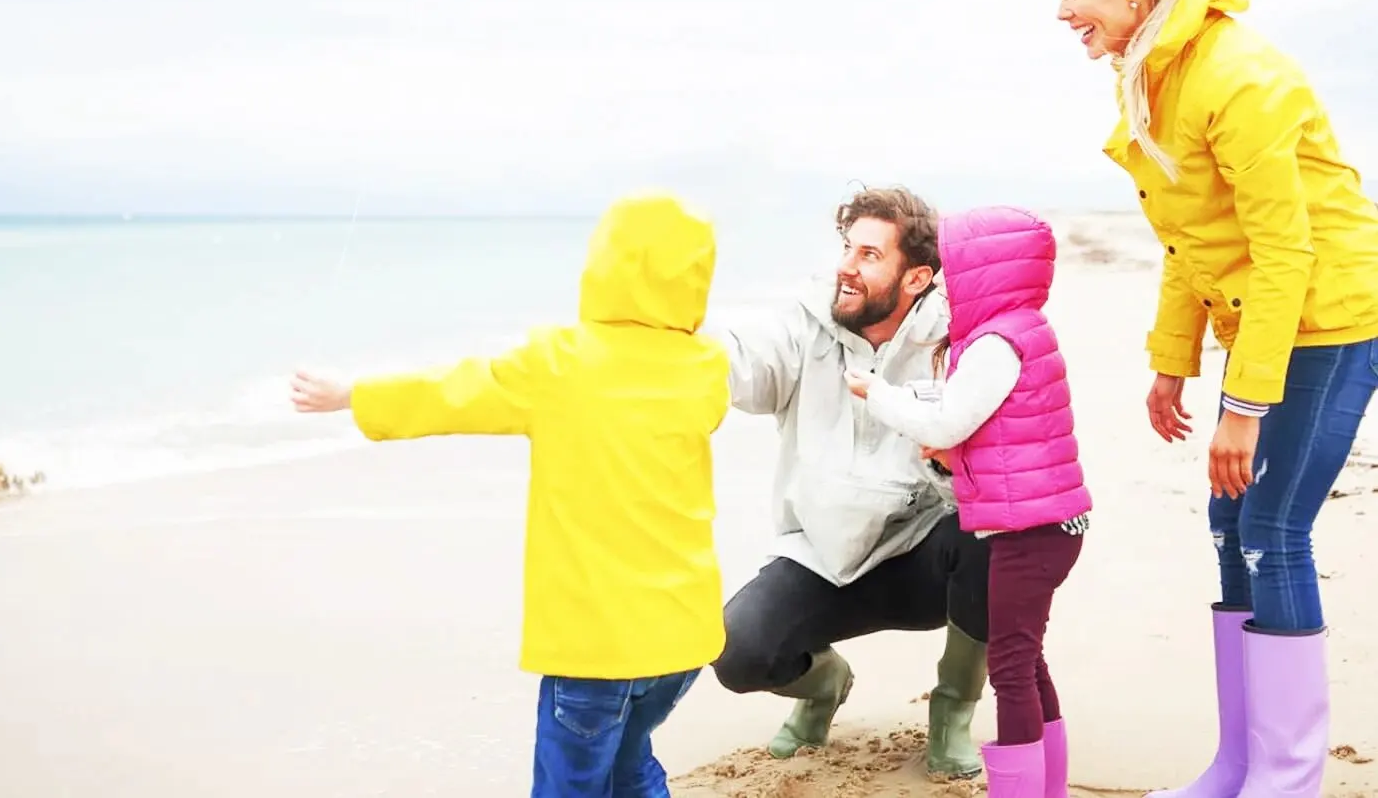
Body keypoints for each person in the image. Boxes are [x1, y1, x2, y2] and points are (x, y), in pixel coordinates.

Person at [1054, 0, 1378, 798]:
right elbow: (1189, 237)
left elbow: (1285, 252)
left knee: (1274, 526)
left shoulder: (1240, 76)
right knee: (1229, 525)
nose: (1060, 10)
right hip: (1264, 317)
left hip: (1332, 313)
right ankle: (1239, 763)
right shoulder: (1156, 73)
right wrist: (1173, 361)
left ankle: (1288, 776)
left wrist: (1244, 408)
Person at [289, 192, 730, 798]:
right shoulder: (705, 367)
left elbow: (455, 391)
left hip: (597, 647)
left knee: (570, 786)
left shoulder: (559, 363)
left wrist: (352, 395)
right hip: (683, 640)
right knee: (630, 767)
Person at [706, 186, 991, 778]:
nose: (846, 267)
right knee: (737, 653)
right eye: (846, 248)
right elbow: (739, 360)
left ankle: (953, 711)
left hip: (921, 555)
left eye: (868, 255)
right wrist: (673, 343)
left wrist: (944, 463)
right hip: (823, 556)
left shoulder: (958, 342)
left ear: (916, 278)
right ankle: (823, 685)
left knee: (990, 533)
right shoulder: (804, 328)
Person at [849, 205, 1091, 798]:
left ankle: (1023, 790)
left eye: (954, 269)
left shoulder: (996, 343)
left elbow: (954, 419)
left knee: (1010, 665)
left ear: (986, 271)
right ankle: (1047, 785)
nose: (946, 283)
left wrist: (877, 394)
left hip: (1030, 531)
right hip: (1049, 523)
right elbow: (998, 427)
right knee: (1027, 660)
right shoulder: (1022, 328)